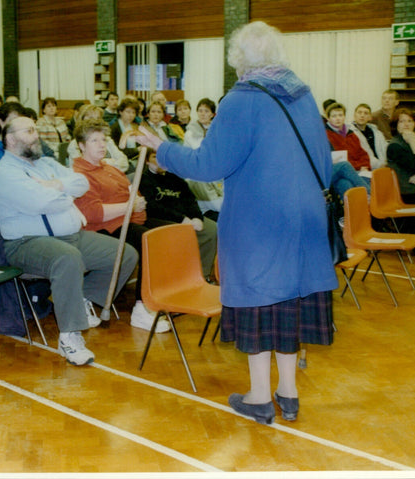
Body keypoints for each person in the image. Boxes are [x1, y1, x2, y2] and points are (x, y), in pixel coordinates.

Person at [136, 21, 337, 424]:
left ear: (238, 59)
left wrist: (163, 147)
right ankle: (288, 392)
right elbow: (325, 164)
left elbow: (208, 165)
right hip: (307, 220)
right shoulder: (302, 94)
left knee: (259, 304)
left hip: (261, 225)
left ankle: (260, 397)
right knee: (290, 305)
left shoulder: (241, 99)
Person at [0, 117, 138, 366]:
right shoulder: (3, 173)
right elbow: (42, 202)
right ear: (11, 139)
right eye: (29, 131)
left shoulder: (46, 163)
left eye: (35, 129)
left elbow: (82, 183)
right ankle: (69, 337)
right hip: (27, 244)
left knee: (124, 253)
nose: (36, 135)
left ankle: (82, 298)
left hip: (69, 237)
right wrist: (65, 194)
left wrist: (56, 185)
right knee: (67, 258)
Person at [72, 119, 172, 333]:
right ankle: (141, 309)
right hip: (104, 227)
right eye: (94, 140)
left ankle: (160, 295)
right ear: (81, 145)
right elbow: (93, 213)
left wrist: (137, 206)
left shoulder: (109, 168)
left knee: (168, 235)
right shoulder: (80, 173)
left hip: (129, 219)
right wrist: (130, 207)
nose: (102, 144)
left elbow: (131, 191)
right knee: (149, 244)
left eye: (103, 140)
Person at [139, 149, 218, 280]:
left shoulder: (175, 178)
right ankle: (178, 277)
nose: (159, 161)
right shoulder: (144, 179)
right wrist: (181, 219)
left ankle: (202, 276)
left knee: (212, 229)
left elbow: (190, 200)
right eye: (154, 157)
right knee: (181, 233)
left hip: (186, 217)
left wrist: (197, 217)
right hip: (161, 219)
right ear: (147, 161)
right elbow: (153, 208)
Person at [0, 102, 54, 176]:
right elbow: (8, 177)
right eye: (13, 121)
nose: (18, 125)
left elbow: (45, 166)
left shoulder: (27, 144)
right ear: (1, 123)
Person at [66, 104, 130, 172]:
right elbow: (83, 169)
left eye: (98, 118)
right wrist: (109, 162)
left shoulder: (107, 139)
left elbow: (124, 163)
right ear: (81, 120)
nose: (95, 122)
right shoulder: (75, 144)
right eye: (90, 118)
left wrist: (103, 163)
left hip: (113, 175)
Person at [324, 103, 371, 172]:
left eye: (340, 115)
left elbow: (363, 154)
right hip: (341, 172)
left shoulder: (351, 134)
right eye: (334, 116)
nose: (338, 118)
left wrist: (365, 166)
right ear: (328, 118)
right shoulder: (326, 136)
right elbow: (339, 161)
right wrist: (358, 167)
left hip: (359, 170)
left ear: (344, 117)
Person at [349, 103, 387, 170]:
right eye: (359, 112)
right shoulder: (350, 133)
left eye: (366, 113)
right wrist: (379, 165)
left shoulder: (377, 132)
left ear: (370, 117)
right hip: (365, 168)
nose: (362, 115)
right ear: (354, 115)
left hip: (382, 167)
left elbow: (385, 148)